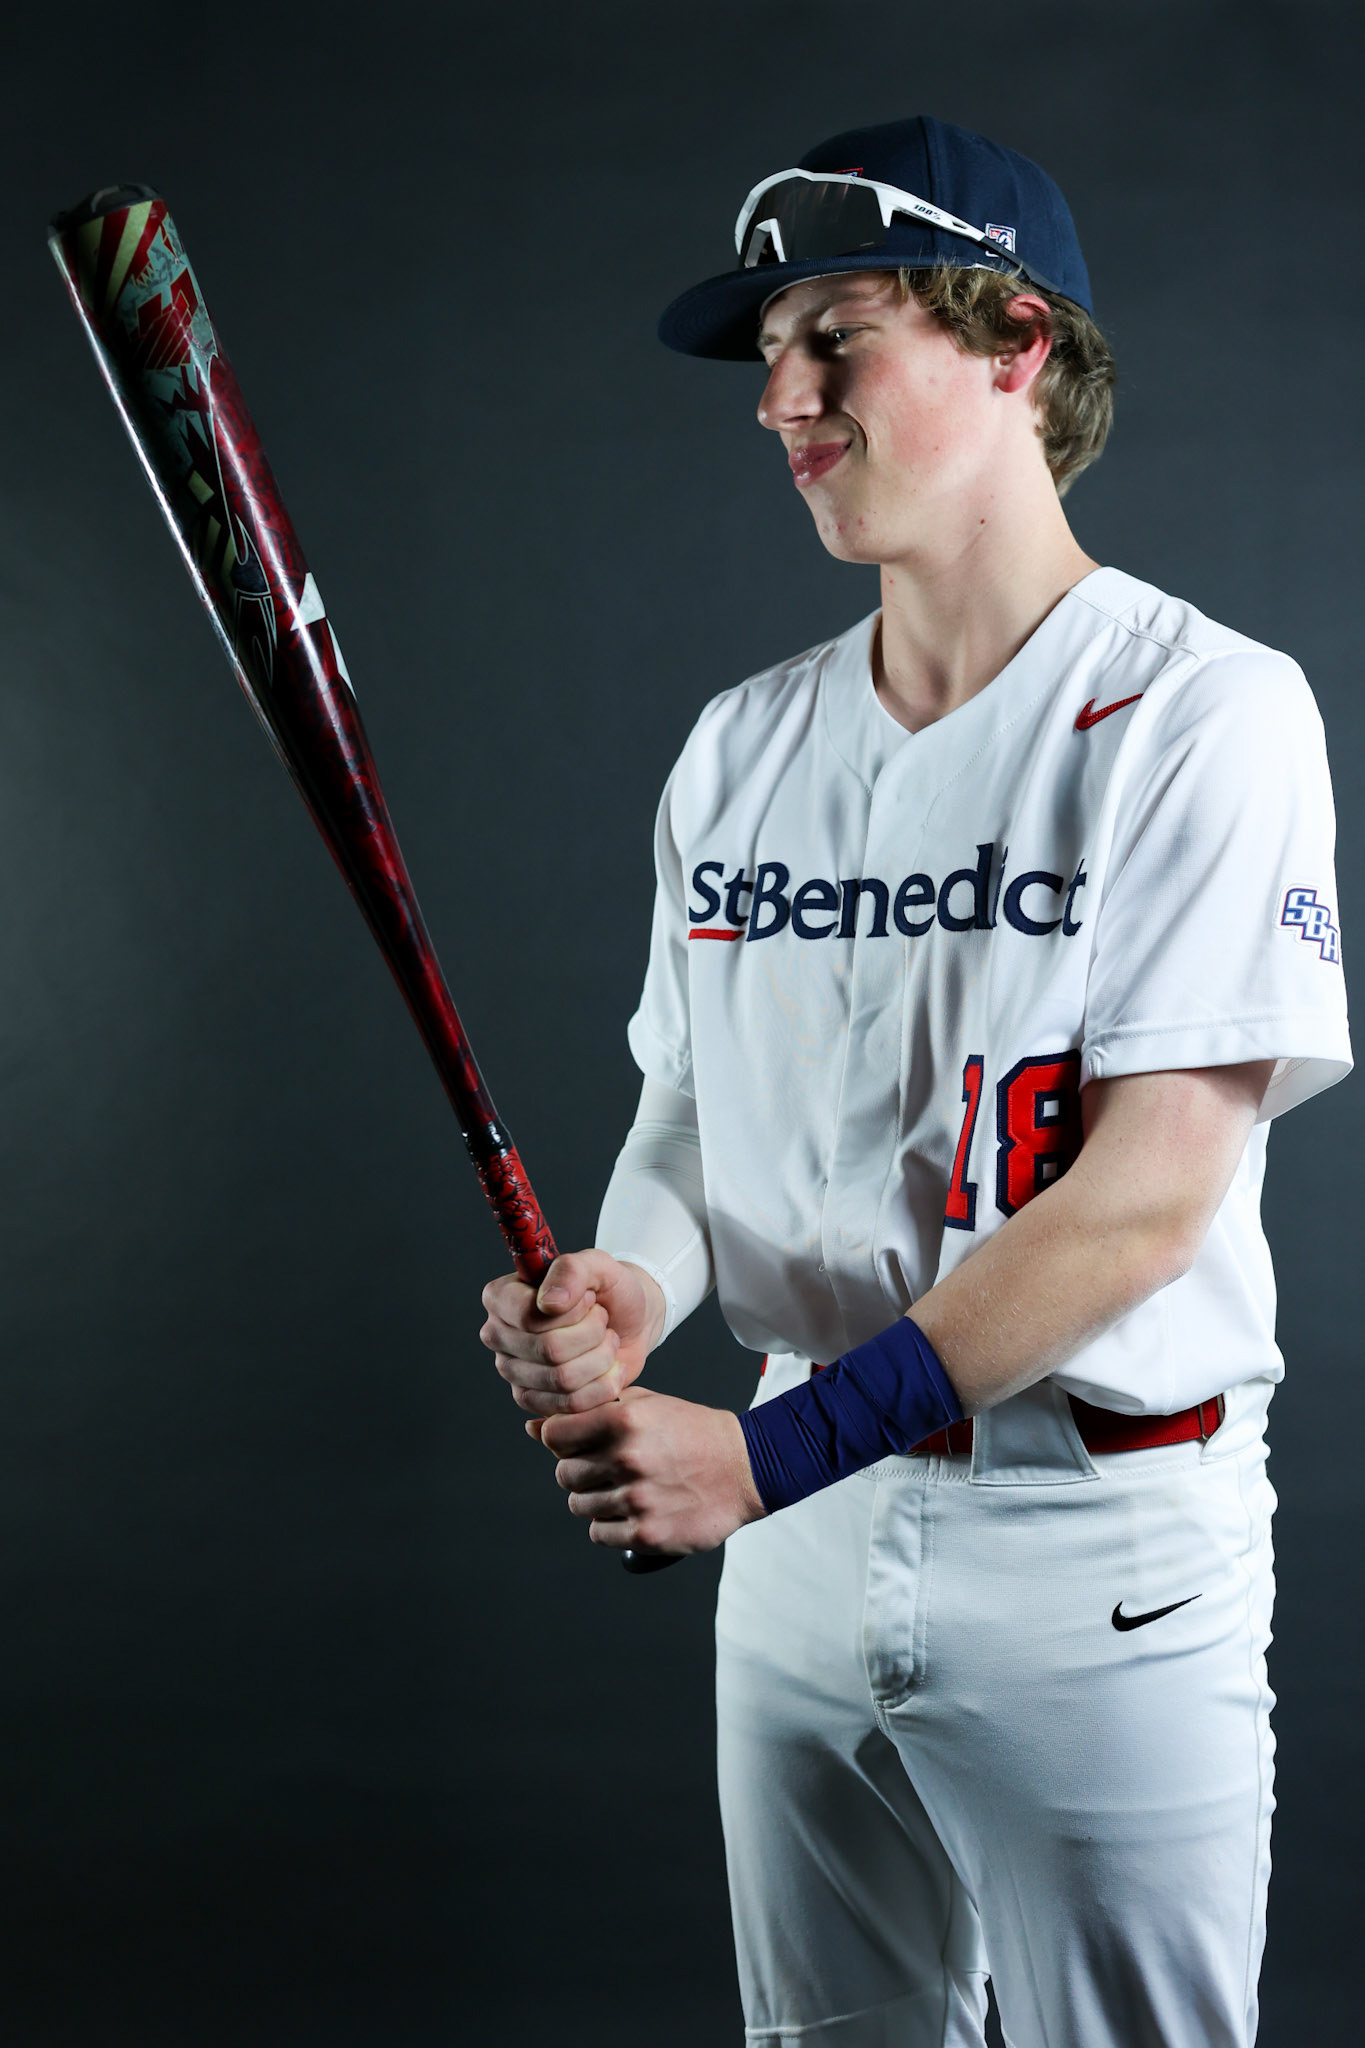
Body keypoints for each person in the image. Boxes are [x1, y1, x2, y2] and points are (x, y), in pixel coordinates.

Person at [478, 116, 1351, 2048]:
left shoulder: (1205, 711)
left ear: (1016, 343)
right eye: (768, 352)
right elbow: (689, 1122)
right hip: (788, 1542)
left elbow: (1140, 1206)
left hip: (1097, 1546)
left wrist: (753, 1457)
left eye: (835, 336)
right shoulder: (739, 748)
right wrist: (633, 1285)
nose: (779, 400)